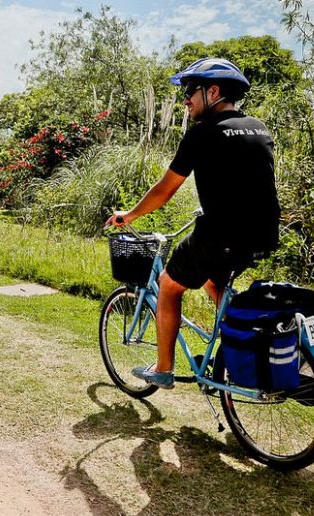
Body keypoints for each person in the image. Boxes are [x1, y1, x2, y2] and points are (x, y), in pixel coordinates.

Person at [105, 57, 280, 389]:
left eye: (190, 92)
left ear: (213, 92)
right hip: (263, 235)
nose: (185, 100)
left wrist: (130, 215)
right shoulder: (258, 127)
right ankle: (243, 344)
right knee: (215, 282)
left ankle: (163, 369)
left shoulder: (203, 133)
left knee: (169, 285)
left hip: (222, 235)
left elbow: (164, 190)